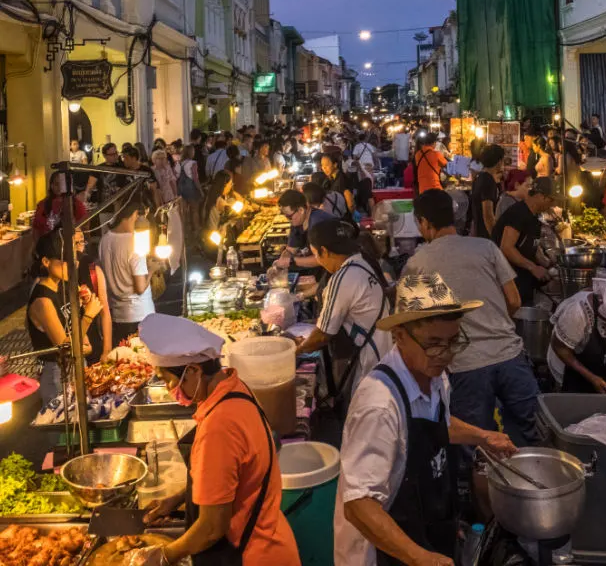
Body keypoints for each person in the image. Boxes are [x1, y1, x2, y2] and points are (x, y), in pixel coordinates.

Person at [333, 273, 516, 565]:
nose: (445, 354)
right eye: (434, 343)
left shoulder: (434, 375)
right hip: (383, 555)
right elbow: (358, 505)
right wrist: (420, 558)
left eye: (453, 341)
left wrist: (483, 436)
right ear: (400, 336)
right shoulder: (379, 405)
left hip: (425, 531)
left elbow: (438, 423)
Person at [136, 314, 301, 566]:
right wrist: (179, 498)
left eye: (169, 380)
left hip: (251, 555)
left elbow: (212, 527)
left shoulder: (219, 426)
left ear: (193, 371)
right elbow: (230, 478)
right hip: (271, 537)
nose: (171, 389)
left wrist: (164, 556)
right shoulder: (234, 388)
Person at [408, 190, 540, 447]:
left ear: (424, 222)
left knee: (476, 444)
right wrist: (495, 322)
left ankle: (482, 487)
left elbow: (420, 324)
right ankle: (531, 481)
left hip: (465, 366)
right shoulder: (485, 247)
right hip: (510, 355)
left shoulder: (418, 262)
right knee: (529, 434)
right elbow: (514, 300)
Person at [295, 220, 391, 402]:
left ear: (324, 251)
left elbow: (323, 334)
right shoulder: (362, 261)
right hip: (381, 358)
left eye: (316, 255)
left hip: (365, 367)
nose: (319, 262)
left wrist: (295, 351)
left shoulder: (343, 277)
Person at [27, 230, 102, 405]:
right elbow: (66, 349)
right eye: (65, 261)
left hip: (77, 366)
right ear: (46, 262)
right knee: (62, 427)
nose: (73, 265)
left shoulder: (65, 285)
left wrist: (84, 305)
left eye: (73, 259)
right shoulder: (42, 301)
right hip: (57, 374)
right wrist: (89, 316)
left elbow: (76, 331)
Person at [492, 177, 559, 305]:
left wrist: (549, 266)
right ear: (540, 196)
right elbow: (506, 248)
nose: (552, 204)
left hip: (523, 279)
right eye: (551, 200)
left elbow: (532, 247)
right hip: (507, 281)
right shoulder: (518, 214)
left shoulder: (534, 217)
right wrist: (533, 267)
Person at [99, 201, 154, 345]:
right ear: (136, 214)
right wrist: (152, 270)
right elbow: (140, 288)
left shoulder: (105, 239)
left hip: (117, 315)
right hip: (140, 314)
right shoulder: (136, 242)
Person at [75, 229, 112, 364]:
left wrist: (106, 350)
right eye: (75, 243)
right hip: (71, 342)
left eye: (81, 242)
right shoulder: (60, 274)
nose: (79, 246)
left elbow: (105, 312)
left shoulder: (94, 271)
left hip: (94, 339)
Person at [275, 189, 335, 270]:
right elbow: (291, 250)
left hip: (333, 268)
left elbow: (322, 259)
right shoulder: (297, 223)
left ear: (301, 210)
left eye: (289, 216)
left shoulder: (318, 223)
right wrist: (281, 261)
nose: (288, 220)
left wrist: (292, 261)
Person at [33, 172, 87, 238]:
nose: (59, 187)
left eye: (62, 184)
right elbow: (36, 228)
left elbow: (84, 227)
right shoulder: (42, 204)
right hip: (46, 244)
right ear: (51, 186)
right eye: (56, 184)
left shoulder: (76, 204)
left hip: (70, 243)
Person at [470, 143, 505, 239]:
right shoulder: (488, 181)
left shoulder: (479, 177)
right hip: (485, 236)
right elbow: (488, 216)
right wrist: (496, 238)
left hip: (479, 232)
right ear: (499, 162)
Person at [122, 144, 162, 212]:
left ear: (134, 158)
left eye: (126, 158)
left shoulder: (146, 171)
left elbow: (154, 190)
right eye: (123, 158)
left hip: (146, 206)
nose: (123, 160)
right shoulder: (123, 171)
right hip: (129, 208)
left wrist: (157, 208)